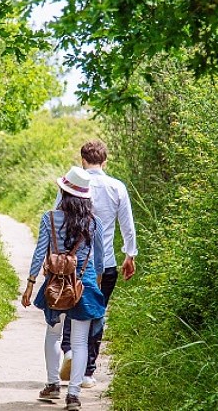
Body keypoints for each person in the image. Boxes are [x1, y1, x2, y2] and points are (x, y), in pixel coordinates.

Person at [22, 166, 105, 411]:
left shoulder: (49, 217)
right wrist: (96, 283)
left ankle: (52, 384)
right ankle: (74, 395)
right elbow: (99, 258)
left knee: (53, 334)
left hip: (55, 284)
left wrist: (30, 283)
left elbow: (40, 252)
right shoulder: (95, 222)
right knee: (80, 342)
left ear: (63, 191)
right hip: (85, 283)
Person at [58, 140, 138, 388]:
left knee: (73, 305)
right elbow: (127, 224)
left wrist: (56, 256)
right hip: (106, 265)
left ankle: (70, 350)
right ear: (105, 161)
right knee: (97, 313)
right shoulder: (117, 187)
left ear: (83, 160)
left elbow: (57, 220)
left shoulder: (72, 183)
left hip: (74, 262)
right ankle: (88, 372)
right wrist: (130, 255)